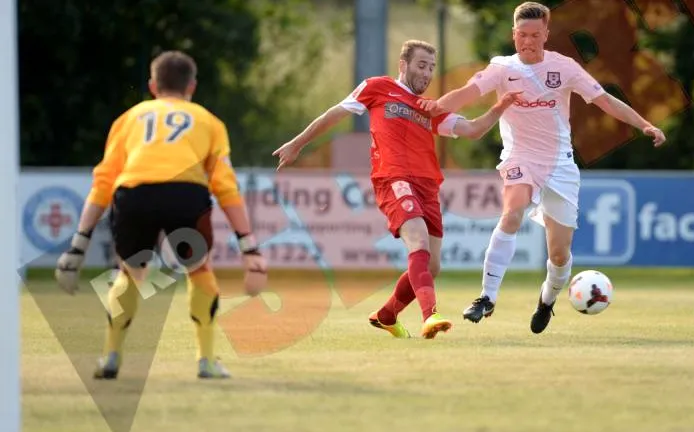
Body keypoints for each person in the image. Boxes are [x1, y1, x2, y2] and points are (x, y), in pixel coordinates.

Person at [418, 2, 666, 334]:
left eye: (535, 35)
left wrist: (644, 124)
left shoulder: (565, 67)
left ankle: (547, 300)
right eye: (522, 35)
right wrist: (432, 107)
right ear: (513, 34)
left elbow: (605, 99)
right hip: (520, 158)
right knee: (512, 212)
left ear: (546, 34)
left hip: (561, 167)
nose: (528, 41)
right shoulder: (501, 68)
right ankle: (486, 297)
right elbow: (465, 94)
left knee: (560, 255)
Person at [274, 40, 521, 339]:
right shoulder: (378, 87)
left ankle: (387, 315)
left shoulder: (429, 107)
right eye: (421, 65)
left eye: (431, 67)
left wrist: (501, 105)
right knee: (417, 242)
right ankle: (430, 315)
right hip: (393, 178)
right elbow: (334, 114)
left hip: (428, 185)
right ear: (403, 65)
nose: (427, 73)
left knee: (433, 264)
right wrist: (297, 144)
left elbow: (472, 129)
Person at [55, 50, 268, 379]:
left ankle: (111, 356)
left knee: (129, 273)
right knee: (199, 270)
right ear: (192, 86)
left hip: (134, 195)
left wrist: (78, 245)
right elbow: (226, 187)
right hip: (186, 195)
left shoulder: (129, 119)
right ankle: (207, 361)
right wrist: (249, 248)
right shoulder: (209, 122)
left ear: (153, 86)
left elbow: (103, 182)